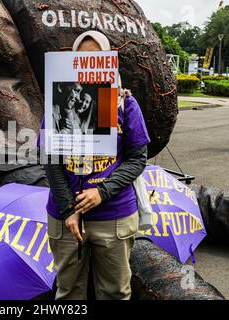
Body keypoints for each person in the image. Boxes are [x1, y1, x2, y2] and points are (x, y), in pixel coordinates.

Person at [44, 30, 150, 300]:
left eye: (97, 57)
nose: (89, 63)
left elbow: (138, 158)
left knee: (114, 293)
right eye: (82, 58)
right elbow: (50, 160)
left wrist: (101, 191)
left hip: (114, 216)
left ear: (109, 61)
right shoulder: (58, 101)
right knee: (68, 293)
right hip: (64, 217)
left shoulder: (124, 103)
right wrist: (69, 209)